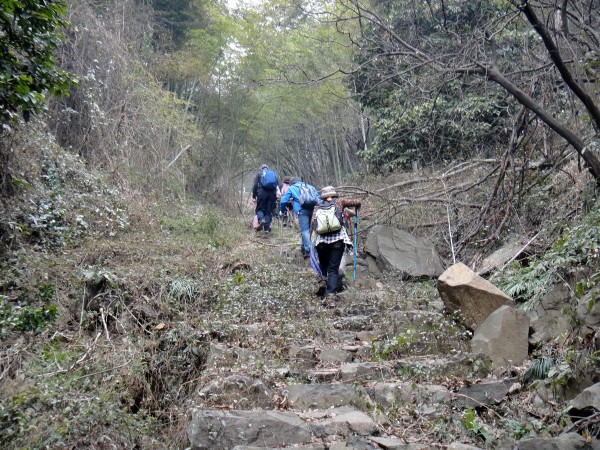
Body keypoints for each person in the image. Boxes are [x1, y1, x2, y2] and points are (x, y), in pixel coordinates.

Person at [313, 186, 361, 306]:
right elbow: (357, 202)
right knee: (333, 269)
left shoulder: (318, 206)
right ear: (334, 194)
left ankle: (323, 280)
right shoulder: (339, 202)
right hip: (338, 240)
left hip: (321, 241)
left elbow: (313, 225)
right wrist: (355, 209)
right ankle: (331, 298)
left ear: (323, 196)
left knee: (323, 264)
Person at [279, 177, 320, 258]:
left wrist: (282, 210)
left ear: (291, 183)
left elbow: (284, 200)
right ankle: (304, 247)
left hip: (302, 210)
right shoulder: (310, 186)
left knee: (304, 230)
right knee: (311, 230)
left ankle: (309, 250)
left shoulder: (292, 188)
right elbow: (318, 198)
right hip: (314, 210)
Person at [252, 164, 279, 234]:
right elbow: (277, 186)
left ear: (261, 169)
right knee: (269, 211)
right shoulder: (274, 174)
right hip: (272, 194)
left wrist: (254, 196)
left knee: (260, 209)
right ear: (268, 168)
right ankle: (267, 228)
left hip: (262, 193)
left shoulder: (259, 173)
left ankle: (261, 220)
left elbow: (255, 185)